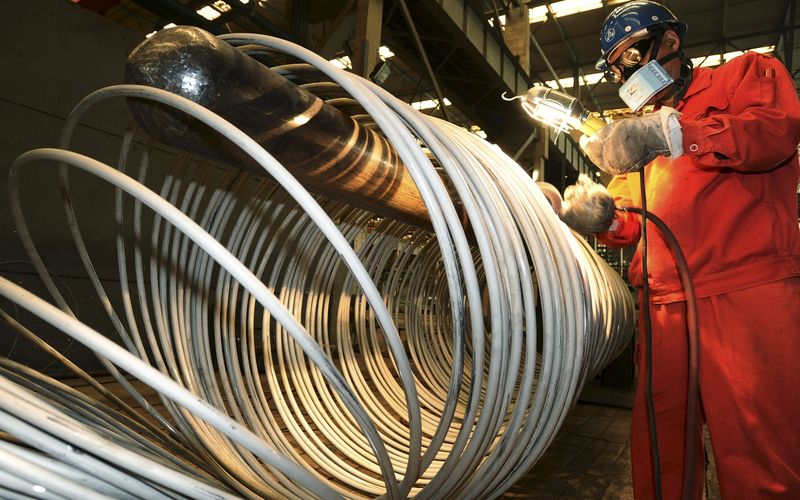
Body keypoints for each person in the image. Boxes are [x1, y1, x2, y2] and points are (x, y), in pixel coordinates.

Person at [558, 1, 800, 498]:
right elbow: (629, 219)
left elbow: (774, 134)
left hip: (746, 291)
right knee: (660, 445)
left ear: (668, 42)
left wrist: (676, 132)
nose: (624, 72)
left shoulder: (743, 75)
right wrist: (600, 215)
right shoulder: (638, 135)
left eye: (630, 56)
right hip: (664, 306)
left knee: (758, 448)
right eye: (615, 65)